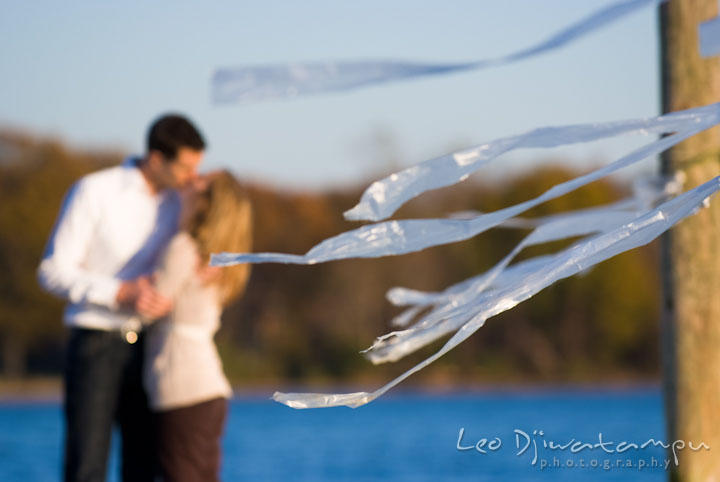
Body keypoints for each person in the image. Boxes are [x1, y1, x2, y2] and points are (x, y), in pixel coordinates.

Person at [37, 113, 206, 482]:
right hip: (96, 343)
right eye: (186, 167)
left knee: (145, 468)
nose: (192, 177)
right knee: (87, 466)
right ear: (157, 159)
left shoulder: (183, 203)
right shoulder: (94, 190)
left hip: (153, 348)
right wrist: (120, 292)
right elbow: (52, 271)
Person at [143, 170, 252, 482]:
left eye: (201, 180)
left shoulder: (182, 249)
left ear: (208, 202)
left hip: (181, 388)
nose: (191, 178)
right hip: (208, 388)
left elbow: (150, 307)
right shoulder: (220, 260)